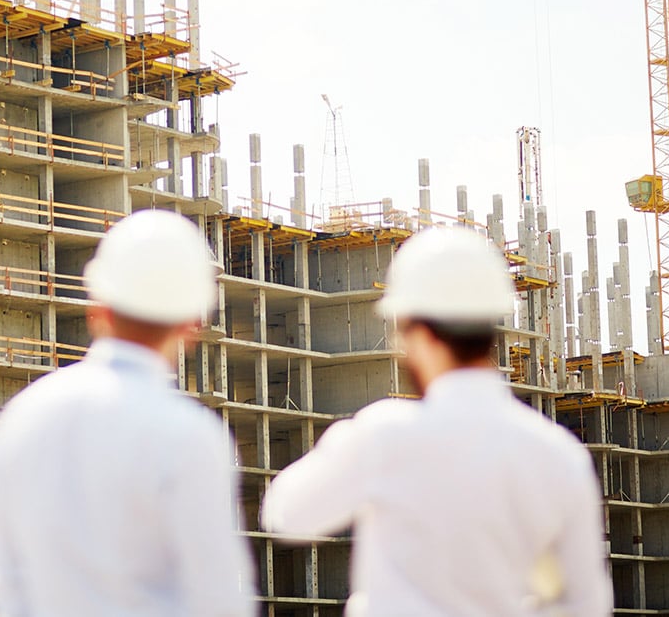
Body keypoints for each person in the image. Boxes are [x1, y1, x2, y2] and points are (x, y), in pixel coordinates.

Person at [261, 227, 612, 617]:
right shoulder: (560, 456)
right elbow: (585, 605)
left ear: (419, 332)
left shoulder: (384, 436)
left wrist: (353, 440)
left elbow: (287, 514)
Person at [0, 209, 255, 617]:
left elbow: (3, 578)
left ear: (98, 306)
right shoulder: (190, 435)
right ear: (192, 323)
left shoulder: (20, 418)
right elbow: (218, 596)